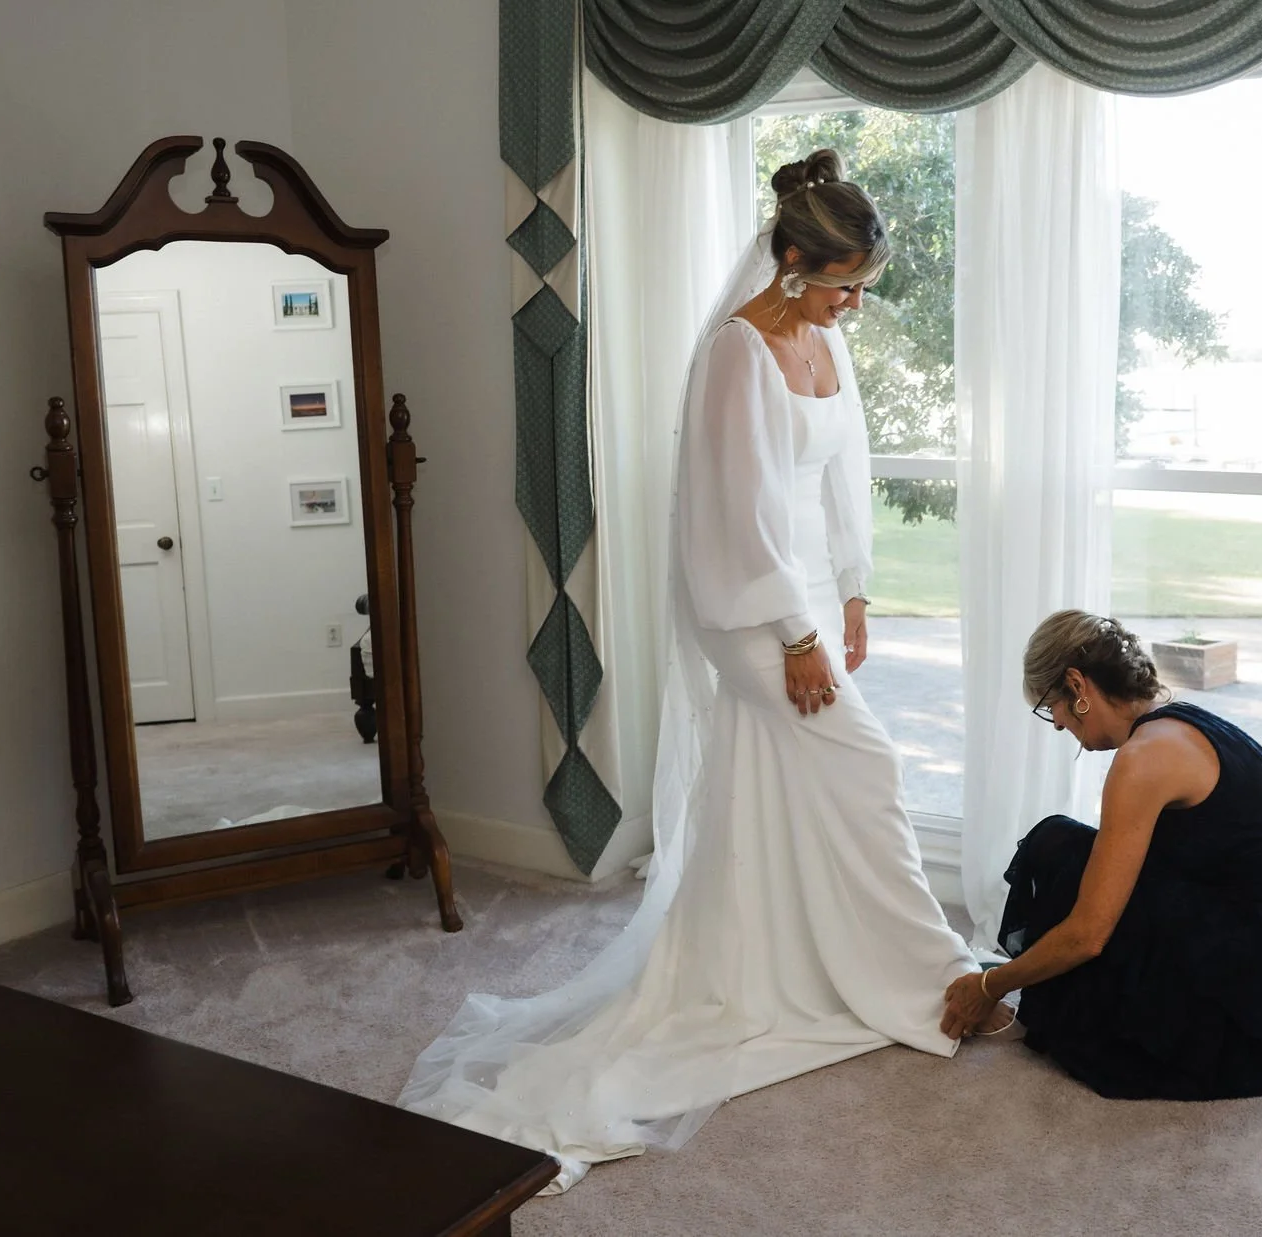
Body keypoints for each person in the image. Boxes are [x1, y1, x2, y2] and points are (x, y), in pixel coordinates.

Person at [399, 149, 1000, 1192]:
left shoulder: (823, 340)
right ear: (793, 261)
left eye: (863, 287)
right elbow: (735, 509)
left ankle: (779, 955)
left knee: (782, 781)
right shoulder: (736, 352)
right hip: (749, 604)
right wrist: (794, 634)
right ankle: (935, 976)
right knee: (864, 767)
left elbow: (836, 474)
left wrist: (848, 591)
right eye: (844, 283)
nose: (855, 305)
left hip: (807, 590)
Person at [941, 610, 1262, 1099]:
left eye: (1051, 704)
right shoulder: (1186, 725)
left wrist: (990, 987)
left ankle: (1246, 1031)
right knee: (1080, 854)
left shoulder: (1144, 758)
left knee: (1056, 850)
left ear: (1078, 684)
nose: (1055, 723)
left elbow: (1088, 936)